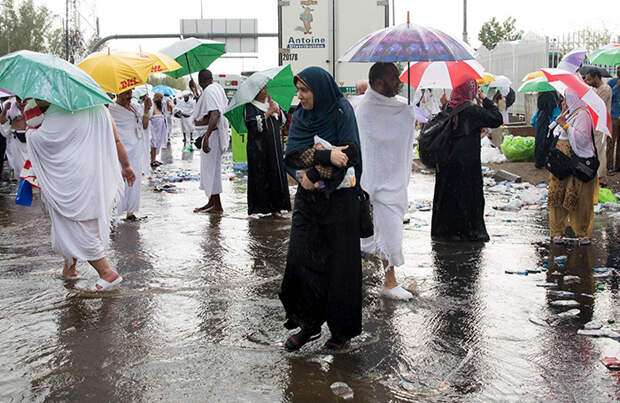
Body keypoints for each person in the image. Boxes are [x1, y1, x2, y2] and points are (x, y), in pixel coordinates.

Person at [279, 66, 362, 351]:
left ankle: (340, 332)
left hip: (339, 199)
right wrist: (324, 156)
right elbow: (292, 154)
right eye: (298, 90)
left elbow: (350, 153)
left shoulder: (341, 110)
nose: (299, 96)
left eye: (305, 90)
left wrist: (313, 174)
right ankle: (309, 324)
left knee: (340, 267)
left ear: (320, 90)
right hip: (308, 200)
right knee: (300, 259)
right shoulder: (301, 116)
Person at [27, 100, 136, 291]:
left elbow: (44, 140)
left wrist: (30, 133)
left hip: (73, 178)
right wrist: (126, 165)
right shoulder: (99, 108)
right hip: (94, 173)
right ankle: (70, 267)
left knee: (76, 224)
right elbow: (116, 139)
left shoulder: (59, 111)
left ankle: (107, 274)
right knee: (79, 222)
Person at [357, 62, 416, 301]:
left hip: (393, 179)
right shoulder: (365, 109)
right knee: (380, 230)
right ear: (379, 83)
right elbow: (370, 141)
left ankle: (388, 279)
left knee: (388, 229)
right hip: (372, 180)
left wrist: (407, 114)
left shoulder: (401, 107)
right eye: (394, 78)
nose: (399, 82)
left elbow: (399, 138)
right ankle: (389, 282)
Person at [431, 80, 502, 242]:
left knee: (447, 197)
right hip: (467, 164)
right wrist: (484, 99)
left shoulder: (448, 108)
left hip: (446, 164)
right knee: (468, 197)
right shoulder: (472, 110)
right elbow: (496, 118)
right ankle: (468, 231)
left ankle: (446, 231)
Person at [548, 88, 597, 246]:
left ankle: (582, 232)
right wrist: (561, 120)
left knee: (579, 197)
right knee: (558, 195)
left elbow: (582, 139)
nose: (564, 101)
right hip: (562, 163)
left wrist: (566, 126)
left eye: (566, 98)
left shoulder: (583, 114)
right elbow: (554, 131)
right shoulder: (572, 112)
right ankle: (557, 231)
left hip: (576, 163)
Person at [243, 86, 292, 217]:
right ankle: (257, 208)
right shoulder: (250, 107)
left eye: (265, 88)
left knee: (276, 174)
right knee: (260, 176)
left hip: (274, 148)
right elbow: (254, 127)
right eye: (261, 89)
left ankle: (277, 206)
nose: (264, 91)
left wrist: (277, 110)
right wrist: (267, 113)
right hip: (258, 150)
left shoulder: (271, 103)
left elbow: (284, 121)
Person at [108, 88, 151, 221]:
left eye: (130, 93)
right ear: (118, 93)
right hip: (120, 151)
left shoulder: (135, 107)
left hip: (135, 150)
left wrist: (146, 111)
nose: (129, 96)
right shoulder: (111, 108)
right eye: (126, 93)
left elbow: (144, 126)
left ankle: (130, 212)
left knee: (134, 181)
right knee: (117, 181)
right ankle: (112, 211)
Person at [192, 69, 229, 214]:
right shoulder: (215, 88)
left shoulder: (210, 91)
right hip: (212, 135)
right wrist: (195, 91)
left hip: (212, 137)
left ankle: (216, 205)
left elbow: (215, 113)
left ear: (201, 81)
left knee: (211, 171)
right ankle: (213, 203)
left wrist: (206, 137)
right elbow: (206, 108)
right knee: (212, 171)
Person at [585, 69, 611, 186]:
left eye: (590, 79)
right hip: (595, 123)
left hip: (601, 123)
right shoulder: (596, 90)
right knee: (596, 148)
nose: (588, 82)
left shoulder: (605, 89)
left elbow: (596, 104)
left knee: (600, 149)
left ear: (597, 78)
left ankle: (601, 176)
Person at [0, 97, 28, 179]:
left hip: (27, 137)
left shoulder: (32, 105)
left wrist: (23, 112)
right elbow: (2, 121)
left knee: (28, 162)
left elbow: (35, 121)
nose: (21, 102)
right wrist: (5, 109)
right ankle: (19, 180)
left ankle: (29, 183)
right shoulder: (9, 104)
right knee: (17, 164)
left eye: (23, 100)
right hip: (15, 137)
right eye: (18, 99)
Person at [533, 92, 560, 168]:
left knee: (540, 140)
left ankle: (539, 161)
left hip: (542, 120)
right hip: (548, 122)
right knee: (547, 141)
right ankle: (545, 160)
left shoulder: (540, 111)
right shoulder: (551, 96)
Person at [149, 93, 167, 167]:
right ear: (155, 97)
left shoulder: (161, 105)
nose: (161, 99)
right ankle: (152, 160)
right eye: (160, 98)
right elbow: (150, 117)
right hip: (153, 128)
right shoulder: (152, 105)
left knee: (158, 143)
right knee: (153, 143)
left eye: (162, 98)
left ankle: (154, 159)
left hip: (160, 129)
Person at [608, 66, 620, 172]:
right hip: (614, 116)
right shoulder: (612, 82)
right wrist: (617, 86)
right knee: (611, 142)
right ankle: (609, 166)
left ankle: (618, 166)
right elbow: (609, 96)